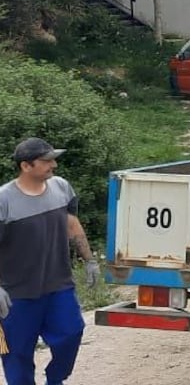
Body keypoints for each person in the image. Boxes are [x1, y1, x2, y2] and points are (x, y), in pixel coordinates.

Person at [1, 138, 99, 385]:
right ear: (26, 166)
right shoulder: (4, 200)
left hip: (58, 287)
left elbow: (72, 223)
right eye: (47, 161)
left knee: (71, 333)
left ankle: (55, 380)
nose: (54, 164)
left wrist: (89, 260)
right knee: (17, 354)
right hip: (16, 295)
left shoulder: (62, 187)